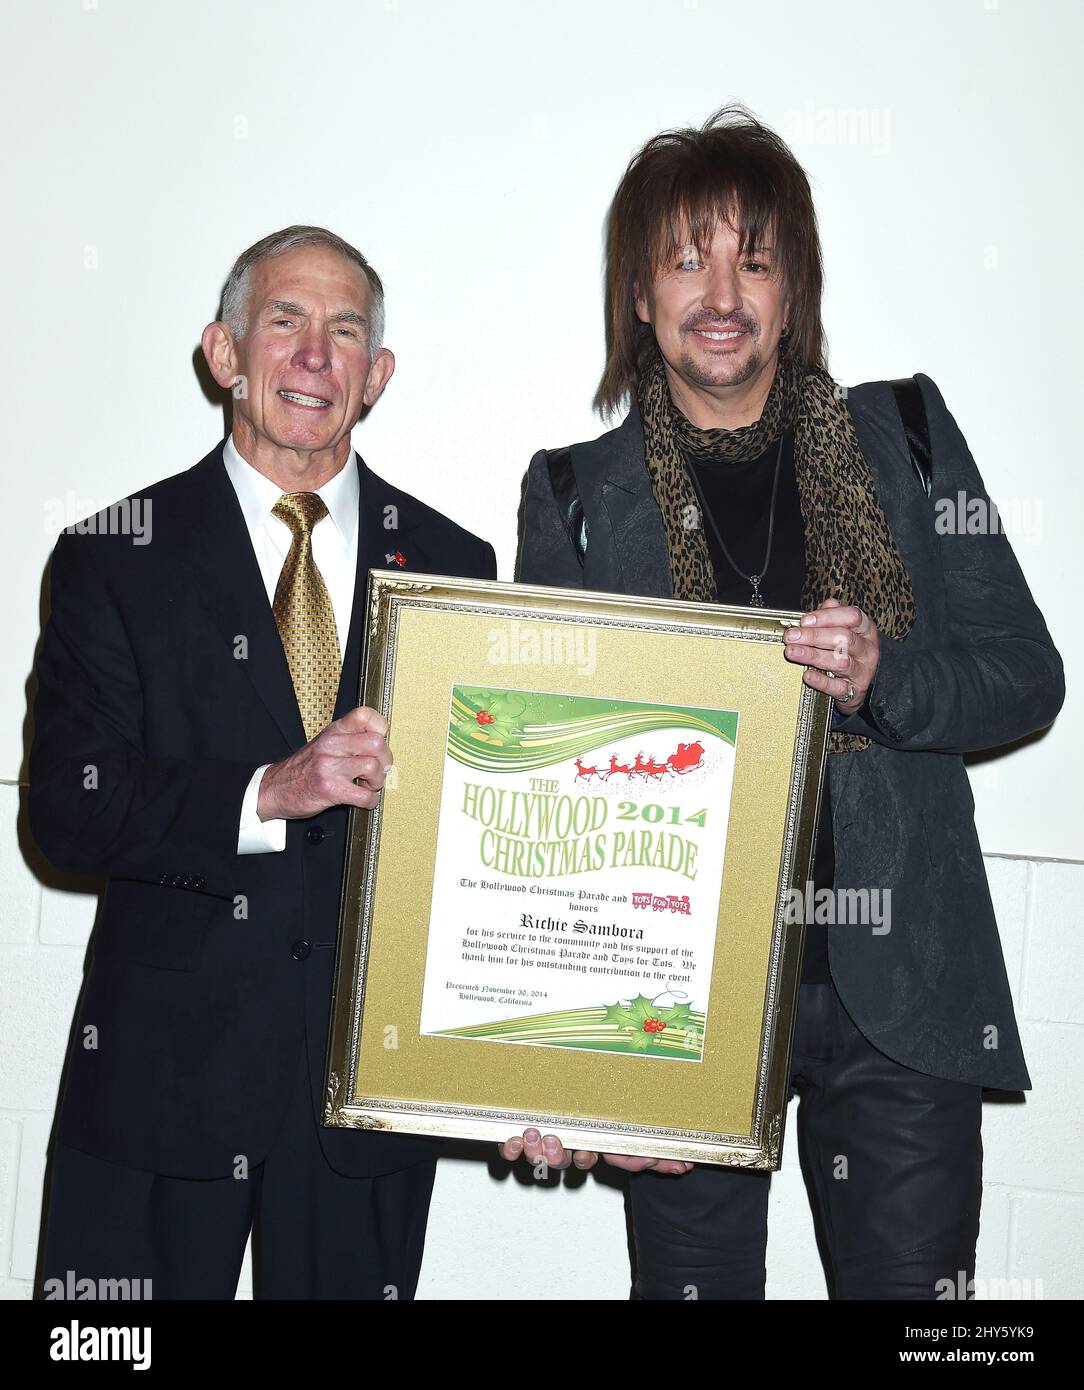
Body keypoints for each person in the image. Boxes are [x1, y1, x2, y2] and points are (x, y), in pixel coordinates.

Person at [506, 108, 1064, 1299]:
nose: (722, 290)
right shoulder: (575, 496)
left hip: (900, 1001)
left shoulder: (904, 436)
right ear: (639, 297)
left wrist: (885, 676)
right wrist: (556, 1050)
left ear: (793, 290)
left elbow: (1028, 673)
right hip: (677, 1009)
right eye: (687, 259)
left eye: (754, 260)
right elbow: (548, 790)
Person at [30, 225, 496, 1299]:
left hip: (364, 1102)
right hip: (157, 1089)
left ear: (376, 377)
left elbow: (476, 848)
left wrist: (521, 1056)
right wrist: (265, 793)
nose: (315, 356)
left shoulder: (455, 570)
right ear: (223, 353)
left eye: (345, 332)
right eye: (284, 320)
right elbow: (64, 810)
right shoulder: (116, 554)